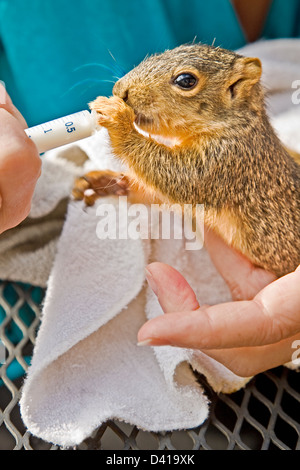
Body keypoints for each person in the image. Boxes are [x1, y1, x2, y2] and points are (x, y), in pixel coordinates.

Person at [0, 0, 299, 377]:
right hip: (18, 326)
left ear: (235, 91)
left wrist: (125, 134)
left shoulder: (236, 146)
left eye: (185, 82)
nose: (125, 89)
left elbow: (182, 182)